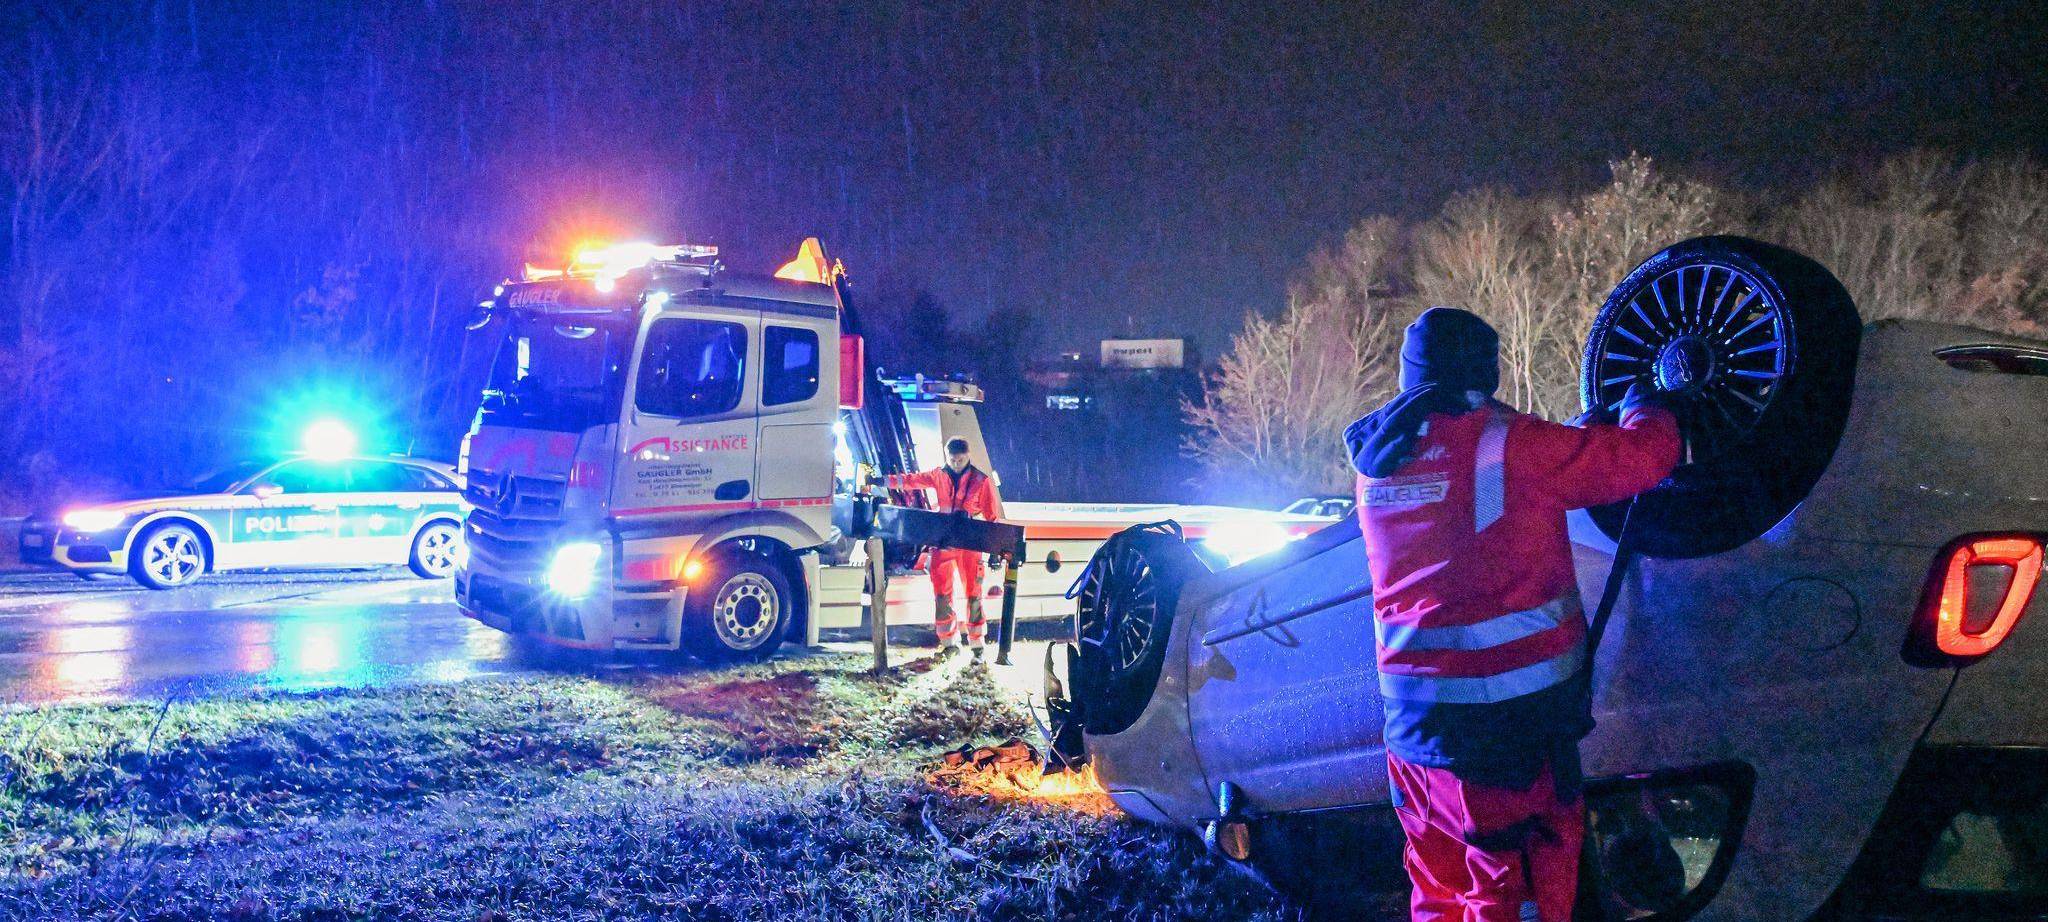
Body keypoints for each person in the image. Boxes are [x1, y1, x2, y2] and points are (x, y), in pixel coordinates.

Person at [1344, 307, 1679, 921]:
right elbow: (1645, 459)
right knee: (1511, 893)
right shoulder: (1509, 443)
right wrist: (1648, 406)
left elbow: (1481, 493)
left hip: (1413, 735)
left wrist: (1578, 432)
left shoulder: (1379, 459)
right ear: (1485, 368)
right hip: (1504, 737)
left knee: (1439, 892)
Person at [885, 437, 1006, 661]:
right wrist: (884, 481)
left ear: (968, 456)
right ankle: (949, 643)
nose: (956, 463)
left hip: (969, 544)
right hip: (945, 542)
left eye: (960, 460)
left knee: (973, 594)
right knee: (942, 594)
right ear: (946, 456)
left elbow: (991, 518)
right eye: (953, 459)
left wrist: (995, 551)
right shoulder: (939, 475)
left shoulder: (981, 480)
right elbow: (912, 480)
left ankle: (977, 645)